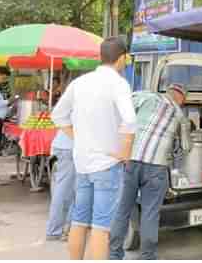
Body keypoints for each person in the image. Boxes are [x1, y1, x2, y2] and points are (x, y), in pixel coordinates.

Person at [52, 37, 137, 260]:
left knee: (79, 221)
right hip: (107, 165)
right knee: (101, 227)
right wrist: (125, 152)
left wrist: (79, 138)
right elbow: (130, 120)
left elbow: (58, 115)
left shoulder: (80, 83)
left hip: (83, 163)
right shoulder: (119, 84)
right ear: (122, 58)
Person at [110, 83, 190, 260]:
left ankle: (114, 255)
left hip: (131, 161)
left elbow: (121, 113)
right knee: (150, 214)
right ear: (181, 98)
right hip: (156, 169)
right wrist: (172, 147)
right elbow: (186, 147)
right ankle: (147, 257)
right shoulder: (180, 115)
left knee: (122, 210)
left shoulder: (146, 96)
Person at [45, 124, 76, 241]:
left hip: (67, 147)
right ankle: (55, 230)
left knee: (70, 190)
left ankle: (66, 228)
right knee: (64, 191)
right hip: (69, 148)